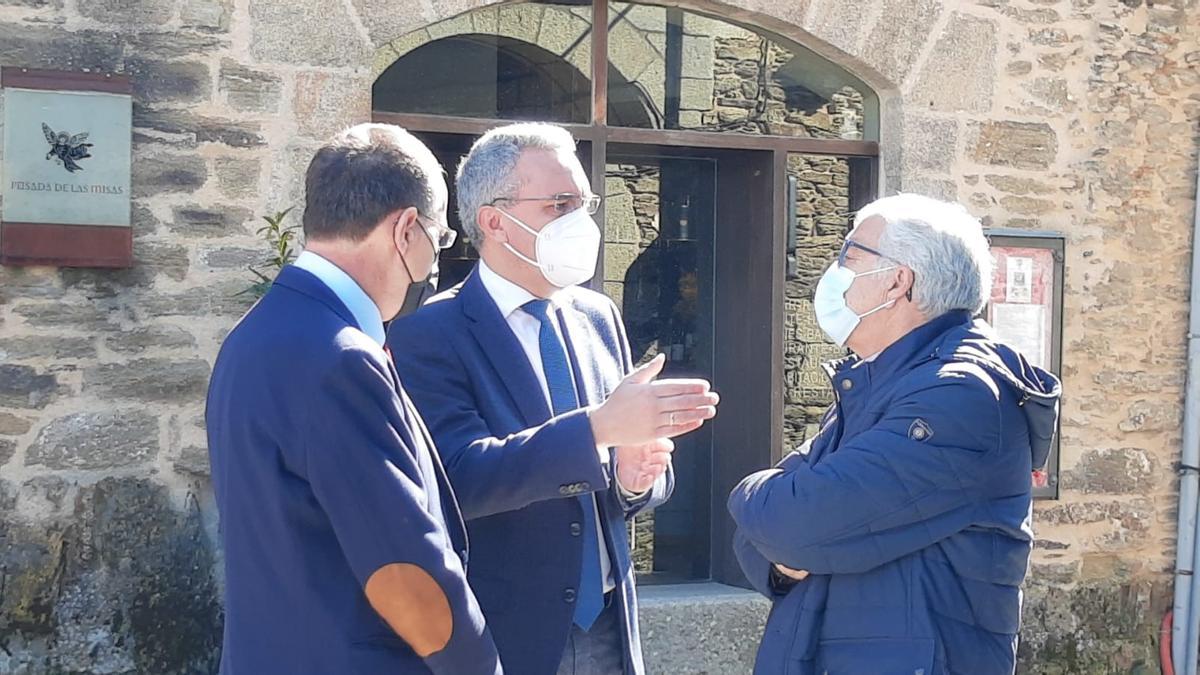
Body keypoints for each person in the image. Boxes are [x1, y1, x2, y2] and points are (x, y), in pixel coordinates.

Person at [387, 122, 720, 675]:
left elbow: (616, 479)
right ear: (495, 221)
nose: (580, 220)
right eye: (560, 203)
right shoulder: (429, 333)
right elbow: (456, 479)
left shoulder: (597, 315)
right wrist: (598, 431)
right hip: (509, 633)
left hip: (610, 623)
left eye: (584, 201)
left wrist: (636, 477)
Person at [206, 123, 502, 674]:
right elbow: (405, 568)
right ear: (405, 229)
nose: (436, 266)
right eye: (439, 241)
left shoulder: (257, 333)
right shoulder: (342, 358)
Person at [728, 194, 1061, 675]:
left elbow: (793, 521)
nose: (834, 269)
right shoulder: (884, 383)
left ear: (897, 281)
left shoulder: (957, 396)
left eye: (850, 254)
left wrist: (750, 495)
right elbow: (762, 539)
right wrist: (781, 557)